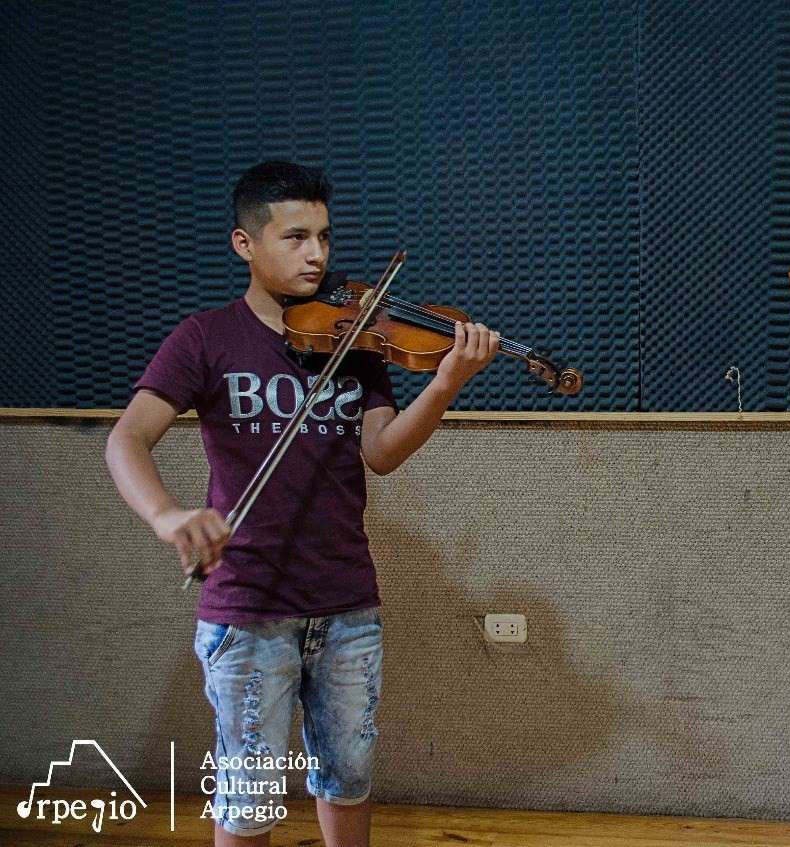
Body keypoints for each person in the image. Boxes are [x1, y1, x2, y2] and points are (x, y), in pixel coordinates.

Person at [104, 161, 500, 847]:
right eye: (294, 237)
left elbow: (382, 452)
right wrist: (168, 515)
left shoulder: (354, 339)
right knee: (248, 798)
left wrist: (444, 385)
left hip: (347, 604)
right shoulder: (205, 338)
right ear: (245, 243)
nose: (317, 254)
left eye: (324, 235)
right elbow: (127, 439)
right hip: (248, 607)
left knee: (348, 779)